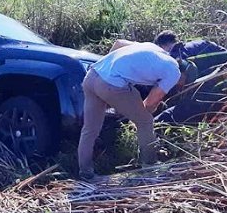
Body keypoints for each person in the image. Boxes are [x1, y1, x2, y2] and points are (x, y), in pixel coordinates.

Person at [78, 39, 183, 181]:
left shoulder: (150, 46)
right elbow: (150, 103)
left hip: (92, 76)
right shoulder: (174, 71)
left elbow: (118, 43)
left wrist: (111, 70)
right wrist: (142, 113)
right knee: (146, 121)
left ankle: (85, 173)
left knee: (90, 129)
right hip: (110, 83)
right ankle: (150, 168)